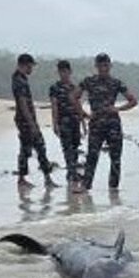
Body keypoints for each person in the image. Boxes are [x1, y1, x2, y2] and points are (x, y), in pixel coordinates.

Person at [77, 52, 137, 191]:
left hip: (113, 125)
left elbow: (133, 101)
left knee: (115, 159)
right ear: (96, 66)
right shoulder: (89, 81)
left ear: (110, 66)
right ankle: (86, 186)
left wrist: (118, 109)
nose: (103, 68)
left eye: (106, 65)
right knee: (92, 156)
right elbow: (74, 97)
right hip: (96, 124)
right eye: (100, 65)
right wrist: (84, 114)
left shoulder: (116, 83)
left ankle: (113, 190)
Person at [12, 53, 53, 189]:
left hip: (25, 119)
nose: (32, 69)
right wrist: (31, 123)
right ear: (25, 65)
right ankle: (27, 179)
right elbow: (23, 103)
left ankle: (39, 178)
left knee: (31, 148)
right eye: (31, 66)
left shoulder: (21, 78)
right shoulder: (19, 80)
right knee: (34, 147)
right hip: (25, 120)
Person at [50, 59, 87, 191]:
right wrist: (54, 124)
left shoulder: (73, 87)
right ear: (59, 72)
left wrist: (83, 124)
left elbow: (78, 105)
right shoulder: (54, 88)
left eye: (66, 71)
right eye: (61, 72)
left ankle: (71, 172)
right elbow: (54, 106)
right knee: (67, 148)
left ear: (70, 72)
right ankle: (72, 173)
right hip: (63, 121)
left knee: (76, 147)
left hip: (75, 121)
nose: (64, 74)